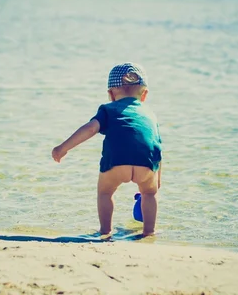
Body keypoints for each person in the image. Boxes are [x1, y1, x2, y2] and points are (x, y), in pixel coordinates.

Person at [51, 63, 162, 236]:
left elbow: (90, 129)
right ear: (144, 94)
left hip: (116, 162)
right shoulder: (150, 115)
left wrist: (62, 148)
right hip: (145, 163)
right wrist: (157, 179)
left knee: (105, 192)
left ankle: (105, 230)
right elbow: (157, 147)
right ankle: (148, 232)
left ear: (110, 94)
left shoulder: (108, 110)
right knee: (149, 193)